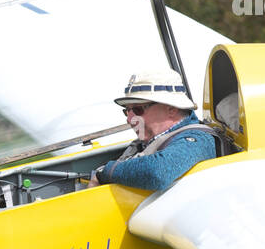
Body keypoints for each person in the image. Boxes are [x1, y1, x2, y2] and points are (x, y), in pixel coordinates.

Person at [88, 69, 218, 192]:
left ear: (171, 108)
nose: (129, 119)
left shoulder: (198, 140)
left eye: (138, 110)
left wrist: (105, 173)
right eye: (127, 110)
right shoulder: (152, 140)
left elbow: (158, 172)